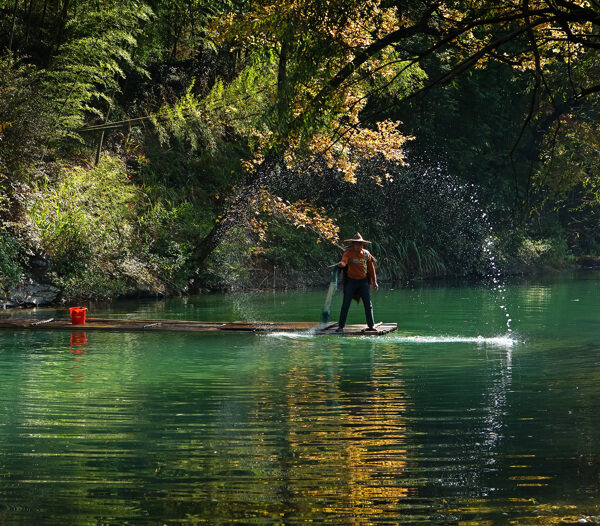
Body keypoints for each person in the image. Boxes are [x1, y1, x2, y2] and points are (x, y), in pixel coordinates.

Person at [336, 232, 379, 332]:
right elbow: (344, 261)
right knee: (345, 304)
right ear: (353, 244)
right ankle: (341, 326)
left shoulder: (366, 254)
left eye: (360, 244)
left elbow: (371, 268)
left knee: (368, 304)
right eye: (357, 244)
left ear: (362, 245)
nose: (359, 246)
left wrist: (374, 282)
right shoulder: (348, 253)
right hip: (351, 282)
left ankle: (371, 326)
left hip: (363, 282)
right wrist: (341, 264)